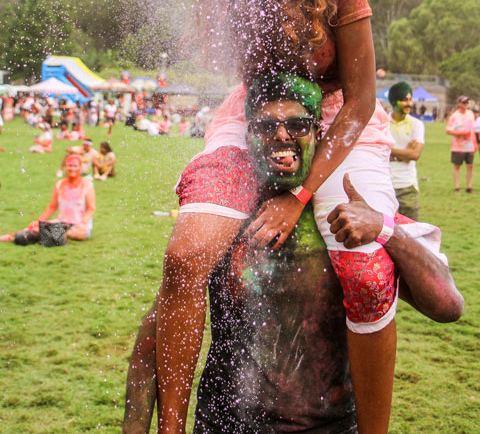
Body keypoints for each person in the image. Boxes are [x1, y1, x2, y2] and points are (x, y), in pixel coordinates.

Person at [99, 0, 417, 433]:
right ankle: (170, 428)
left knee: (364, 271)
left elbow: (358, 99)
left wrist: (298, 196)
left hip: (336, 122)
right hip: (249, 114)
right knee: (187, 255)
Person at [121, 73, 463, 434]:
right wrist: (135, 427)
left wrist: (385, 230)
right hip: (225, 426)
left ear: (319, 134)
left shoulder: (347, 219)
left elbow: (447, 306)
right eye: (266, 126)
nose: (282, 135)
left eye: (298, 125)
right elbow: (154, 336)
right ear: (246, 135)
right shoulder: (223, 217)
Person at [2, 154, 96, 244]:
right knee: (34, 228)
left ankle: (52, 234)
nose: (72, 169)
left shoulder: (87, 185)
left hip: (79, 226)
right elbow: (52, 207)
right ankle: (12, 237)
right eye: (69, 165)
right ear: (65, 167)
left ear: (80, 167)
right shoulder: (59, 184)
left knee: (77, 233)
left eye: (75, 166)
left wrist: (83, 222)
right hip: (61, 223)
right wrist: (39, 221)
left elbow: (91, 208)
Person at [388, 82, 425, 220]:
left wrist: (389, 151)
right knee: (385, 234)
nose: (409, 103)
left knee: (411, 233)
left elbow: (415, 154)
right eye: (404, 100)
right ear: (394, 101)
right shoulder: (383, 122)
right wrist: (405, 154)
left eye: (410, 99)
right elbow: (377, 151)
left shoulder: (416, 124)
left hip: (407, 186)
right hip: (386, 184)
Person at [446, 95, 476, 193]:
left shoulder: (470, 114)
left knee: (470, 166)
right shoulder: (454, 116)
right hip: (458, 146)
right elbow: (448, 131)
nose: (466, 104)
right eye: (464, 102)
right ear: (459, 104)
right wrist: (461, 133)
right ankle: (457, 187)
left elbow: (472, 130)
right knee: (457, 166)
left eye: (467, 102)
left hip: (469, 145)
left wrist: (475, 143)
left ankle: (468, 187)